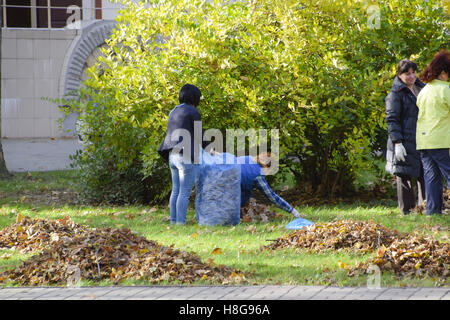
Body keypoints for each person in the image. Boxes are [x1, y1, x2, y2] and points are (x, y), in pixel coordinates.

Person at [158, 84, 207, 224]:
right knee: (184, 192)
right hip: (185, 156)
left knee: (175, 191)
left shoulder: (173, 111)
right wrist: (210, 149)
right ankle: (181, 223)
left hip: (172, 155)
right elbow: (199, 134)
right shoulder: (192, 111)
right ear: (194, 98)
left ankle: (174, 221)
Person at [385, 59, 426, 214]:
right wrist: (397, 143)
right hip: (403, 140)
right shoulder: (395, 94)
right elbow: (392, 119)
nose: (411, 76)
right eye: (407, 74)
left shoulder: (422, 88)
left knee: (424, 173)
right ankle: (407, 211)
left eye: (413, 73)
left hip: (422, 138)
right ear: (399, 75)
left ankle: (425, 207)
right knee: (405, 176)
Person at [416, 49, 450, 215]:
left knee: (432, 178)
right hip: (441, 140)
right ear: (443, 72)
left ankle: (432, 212)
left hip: (423, 141)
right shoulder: (445, 90)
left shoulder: (424, 90)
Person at [237, 152, 301, 218]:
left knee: (246, 192)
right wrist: (293, 211)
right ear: (267, 167)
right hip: (229, 187)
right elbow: (272, 197)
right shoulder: (257, 176)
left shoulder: (247, 158)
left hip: (227, 174)